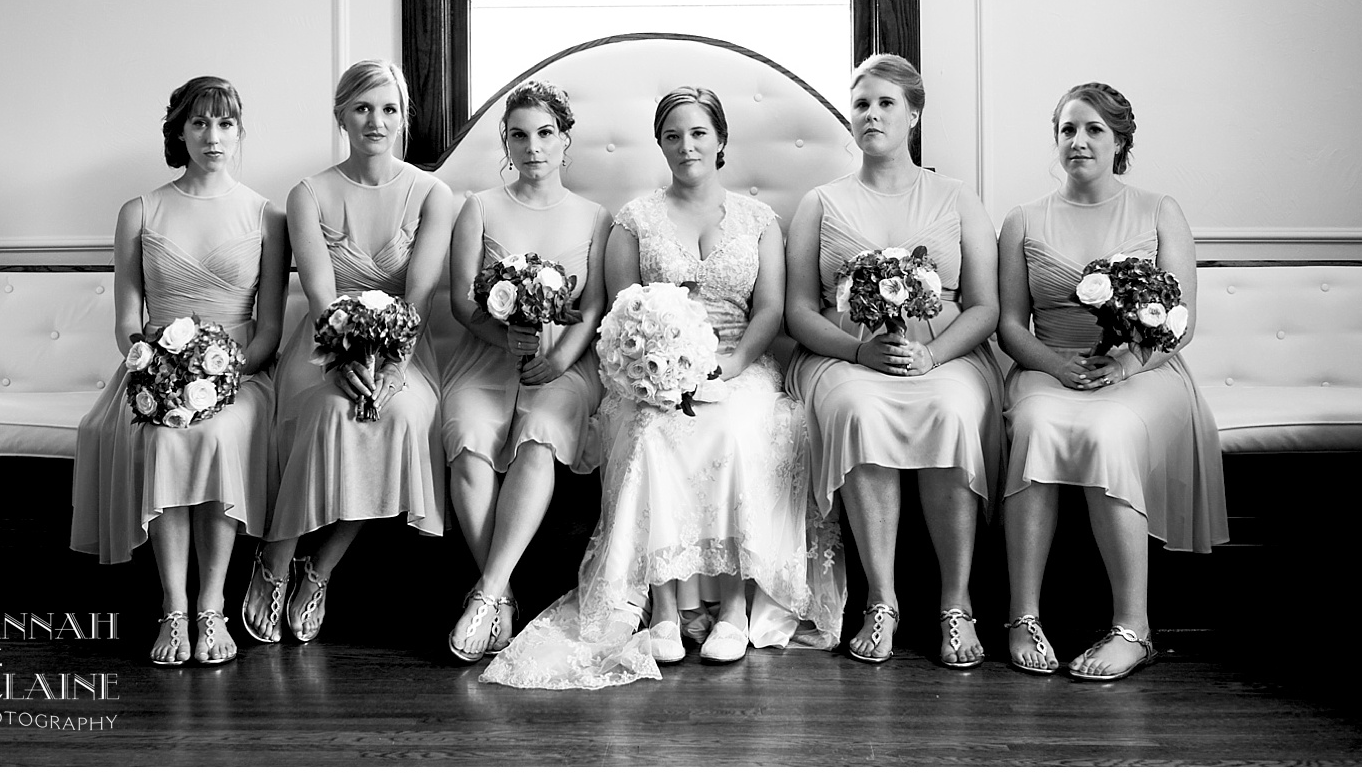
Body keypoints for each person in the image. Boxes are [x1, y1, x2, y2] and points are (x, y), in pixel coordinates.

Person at [481, 86, 844, 689]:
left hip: (738, 363)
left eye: (699, 133)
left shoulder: (759, 221)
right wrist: (657, 369)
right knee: (654, 432)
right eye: (673, 135)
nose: (686, 145)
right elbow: (620, 311)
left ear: (721, 139)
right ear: (660, 144)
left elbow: (771, 312)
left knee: (731, 427)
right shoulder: (634, 220)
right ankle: (668, 609)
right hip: (650, 373)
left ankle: (732, 606)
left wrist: (730, 366)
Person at [996, 81, 1228, 681]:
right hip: (1051, 365)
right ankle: (1023, 616)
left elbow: (1180, 323)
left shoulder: (1159, 210)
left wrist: (1126, 364)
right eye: (1068, 130)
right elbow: (1008, 327)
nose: (1078, 141)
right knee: (1035, 423)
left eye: (1094, 129)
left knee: (1109, 430)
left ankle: (1134, 628)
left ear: (1119, 139)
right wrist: (1054, 366)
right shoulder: (1023, 220)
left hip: (1143, 368)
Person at [785, 54, 1003, 668]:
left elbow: (985, 307)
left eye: (885, 102)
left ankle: (956, 604)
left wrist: (932, 353)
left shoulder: (958, 197)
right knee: (856, 409)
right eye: (861, 103)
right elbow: (798, 312)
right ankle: (882, 600)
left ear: (913, 114)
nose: (871, 113)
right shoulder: (821, 203)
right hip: (844, 358)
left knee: (953, 411)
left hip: (945, 356)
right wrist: (858, 350)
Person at [71, 76, 289, 666]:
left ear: (240, 133)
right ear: (179, 132)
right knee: (167, 436)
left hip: (242, 372)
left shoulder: (268, 216)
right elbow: (125, 320)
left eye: (225, 124)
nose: (212, 136)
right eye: (199, 123)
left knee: (216, 435)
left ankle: (212, 605)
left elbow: (269, 327)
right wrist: (154, 367)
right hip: (155, 371)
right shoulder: (139, 211)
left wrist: (225, 378)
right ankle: (173, 607)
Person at [241, 59, 454, 645]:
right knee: (331, 412)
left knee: (399, 416)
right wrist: (345, 363)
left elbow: (417, 298)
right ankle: (276, 557)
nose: (376, 121)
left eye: (388, 109)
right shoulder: (308, 194)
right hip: (322, 347)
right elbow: (320, 298)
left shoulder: (433, 194)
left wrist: (391, 368)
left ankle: (321, 567)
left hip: (405, 352)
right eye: (362, 108)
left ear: (404, 116)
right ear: (341, 115)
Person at [441, 79, 611, 663]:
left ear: (565, 141)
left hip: (564, 359)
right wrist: (501, 332)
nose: (533, 146)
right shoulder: (479, 207)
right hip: (487, 356)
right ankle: (502, 595)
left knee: (540, 436)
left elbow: (593, 308)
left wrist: (561, 357)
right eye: (519, 135)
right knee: (467, 439)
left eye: (545, 134)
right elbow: (462, 302)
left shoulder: (595, 216)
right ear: (506, 144)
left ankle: (484, 592)